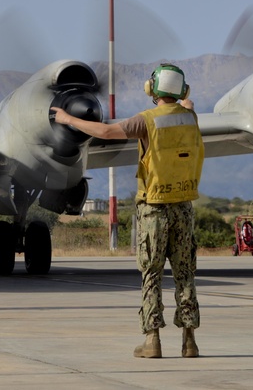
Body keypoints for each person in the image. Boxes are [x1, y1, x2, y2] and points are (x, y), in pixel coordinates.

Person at [51, 63, 204, 359]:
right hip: (183, 207)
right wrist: (186, 101)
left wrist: (68, 118)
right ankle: (189, 342)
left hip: (154, 209)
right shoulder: (190, 117)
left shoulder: (146, 121)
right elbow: (187, 104)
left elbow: (106, 131)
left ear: (152, 89)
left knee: (152, 274)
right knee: (185, 274)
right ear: (182, 90)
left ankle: (152, 341)